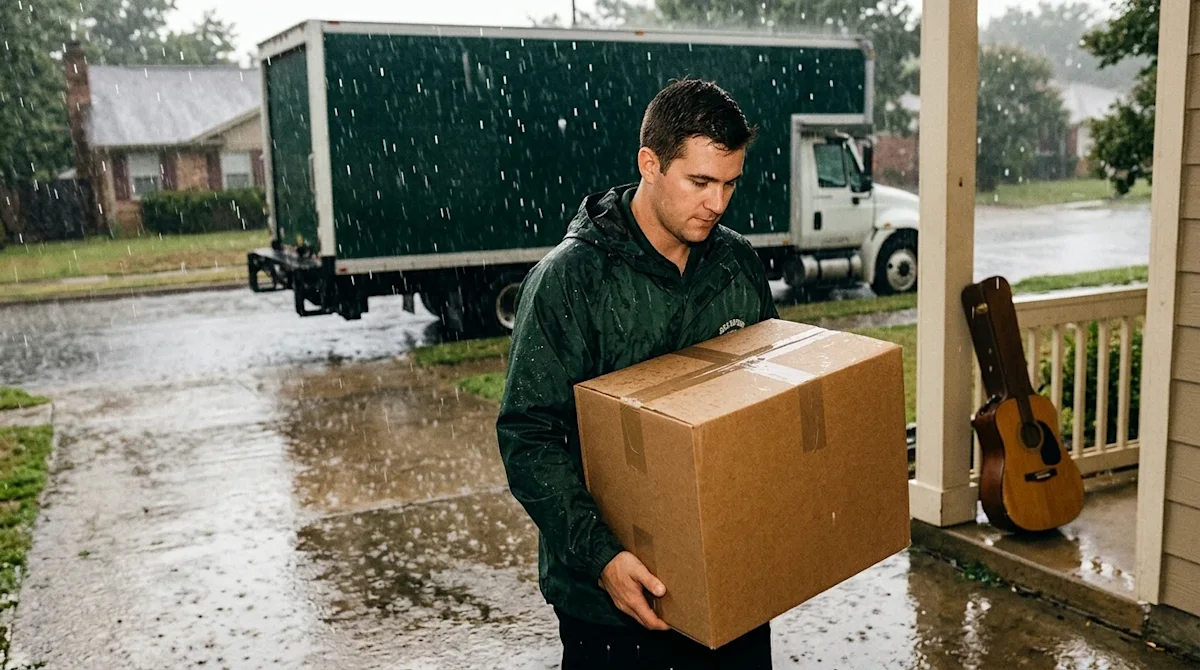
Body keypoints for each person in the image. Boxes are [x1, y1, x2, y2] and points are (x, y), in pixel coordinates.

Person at [496, 79, 778, 669]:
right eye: (699, 182)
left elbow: (766, 398)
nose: (717, 204)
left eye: (730, 184)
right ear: (649, 163)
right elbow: (531, 437)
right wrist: (602, 559)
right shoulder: (569, 282)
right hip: (609, 607)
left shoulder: (737, 264)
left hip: (729, 591)